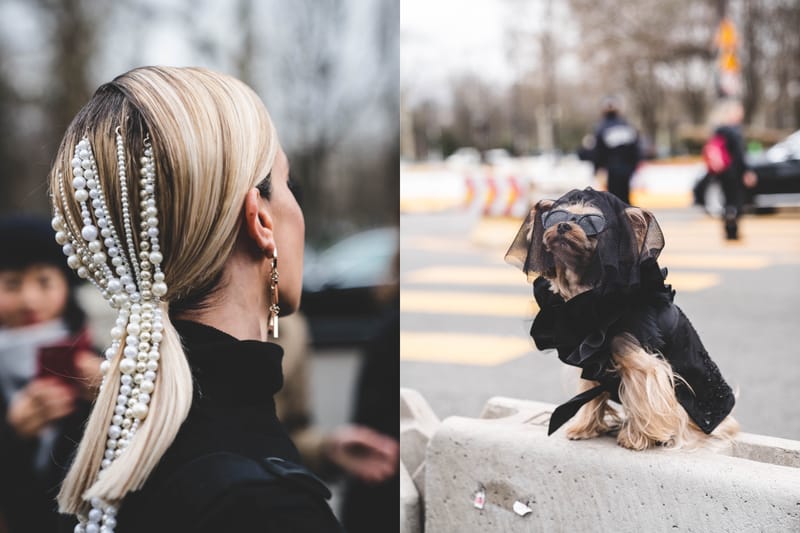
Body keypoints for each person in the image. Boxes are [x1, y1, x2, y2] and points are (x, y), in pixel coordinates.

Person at [48, 67, 343, 532]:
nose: (296, 207)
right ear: (260, 220)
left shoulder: (116, 447)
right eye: (289, 184)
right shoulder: (264, 506)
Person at [0, 215, 100, 533]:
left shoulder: (100, 361)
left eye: (44, 281)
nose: (29, 299)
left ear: (66, 285)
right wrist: (10, 434)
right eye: (12, 284)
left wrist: (112, 394)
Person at [707, 98, 758, 240]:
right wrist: (747, 171)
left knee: (727, 201)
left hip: (722, 172)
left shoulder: (718, 130)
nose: (741, 114)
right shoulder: (734, 131)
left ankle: (728, 228)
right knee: (737, 201)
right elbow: (740, 155)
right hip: (735, 173)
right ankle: (733, 230)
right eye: (739, 111)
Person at [584, 96, 641, 204]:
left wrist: (597, 168)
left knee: (613, 199)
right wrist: (634, 166)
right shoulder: (626, 126)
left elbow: (598, 151)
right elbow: (636, 149)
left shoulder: (602, 127)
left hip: (612, 169)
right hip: (626, 169)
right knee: (625, 197)